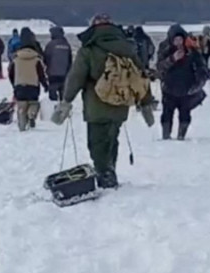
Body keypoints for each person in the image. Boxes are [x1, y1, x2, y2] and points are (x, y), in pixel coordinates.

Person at [54, 13, 154, 189]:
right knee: (112, 138)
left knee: (97, 142)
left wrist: (66, 102)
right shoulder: (127, 48)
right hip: (120, 104)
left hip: (96, 104)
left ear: (93, 27)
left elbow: (76, 77)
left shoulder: (89, 49)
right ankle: (109, 170)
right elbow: (141, 77)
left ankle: (105, 175)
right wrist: (146, 103)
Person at [156, 24, 208, 141]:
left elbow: (202, 69)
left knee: (185, 113)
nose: (178, 42)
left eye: (180, 39)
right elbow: (159, 67)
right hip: (169, 88)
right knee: (167, 113)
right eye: (176, 40)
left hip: (187, 88)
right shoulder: (165, 49)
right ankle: (166, 135)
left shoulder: (192, 50)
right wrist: (172, 59)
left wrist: (197, 86)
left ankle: (181, 135)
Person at [9, 28, 49, 131]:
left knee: (21, 108)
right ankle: (32, 115)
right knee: (34, 103)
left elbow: (11, 73)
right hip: (33, 86)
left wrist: (14, 84)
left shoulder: (16, 59)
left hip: (19, 86)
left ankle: (22, 127)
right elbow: (41, 75)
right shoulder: (36, 59)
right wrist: (45, 85)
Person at [44, 25, 72, 101]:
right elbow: (70, 60)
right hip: (64, 74)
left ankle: (54, 108)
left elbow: (46, 58)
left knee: (53, 96)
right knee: (63, 96)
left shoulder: (50, 45)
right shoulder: (67, 44)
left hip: (53, 74)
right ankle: (62, 110)